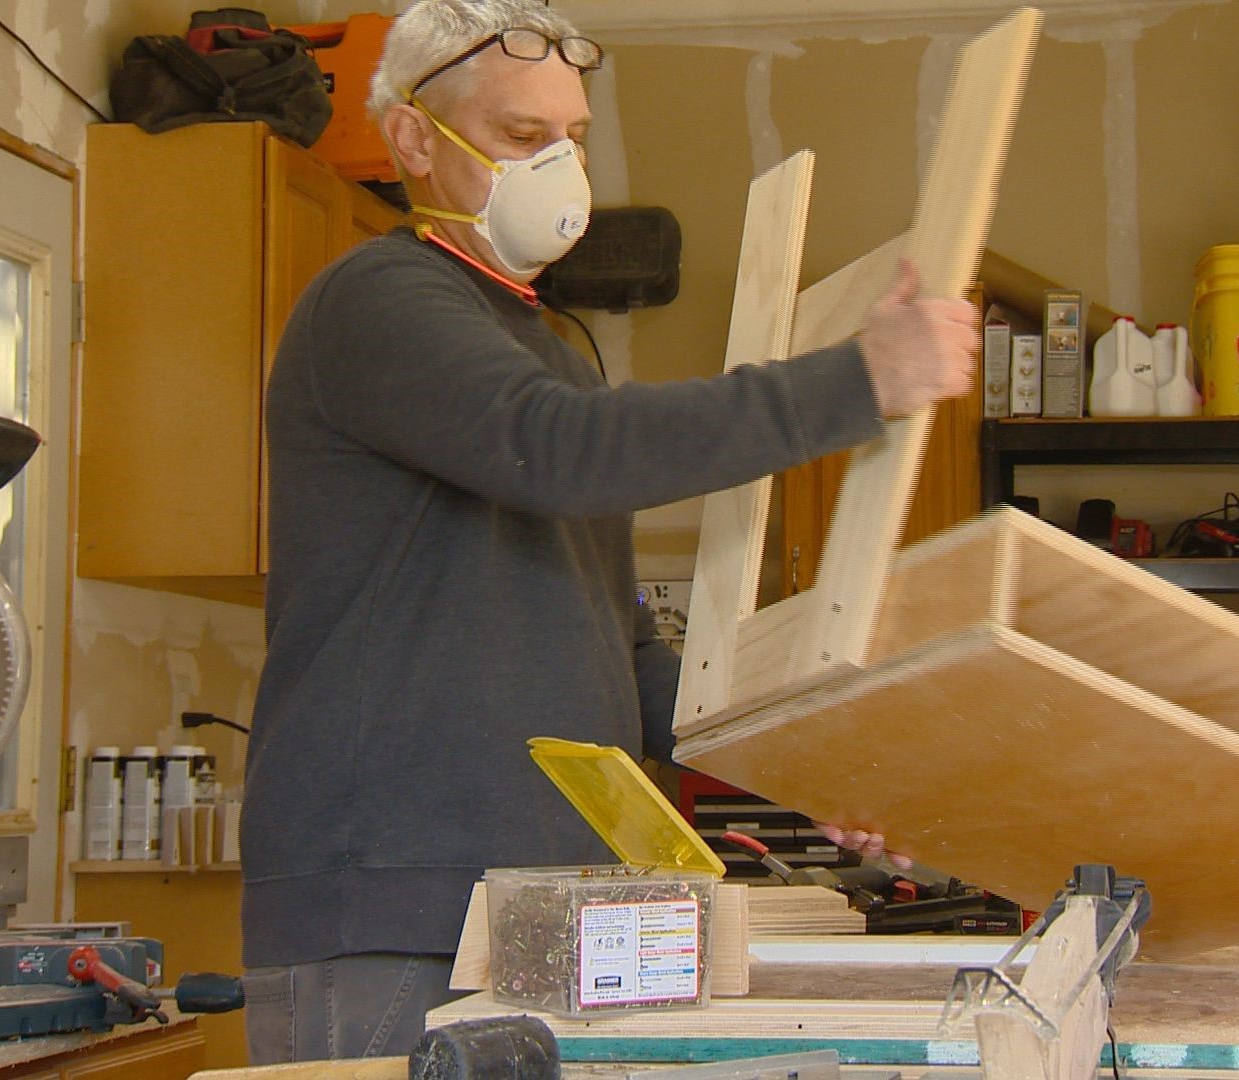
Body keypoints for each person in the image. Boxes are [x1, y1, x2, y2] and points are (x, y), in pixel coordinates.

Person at [239, 0, 975, 1063]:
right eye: (521, 135)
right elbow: (564, 449)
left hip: (552, 913)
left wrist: (803, 765)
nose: (561, 167)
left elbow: (622, 656)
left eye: (573, 138)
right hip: (395, 911)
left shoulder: (554, 357)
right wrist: (861, 379)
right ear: (412, 139)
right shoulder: (377, 300)